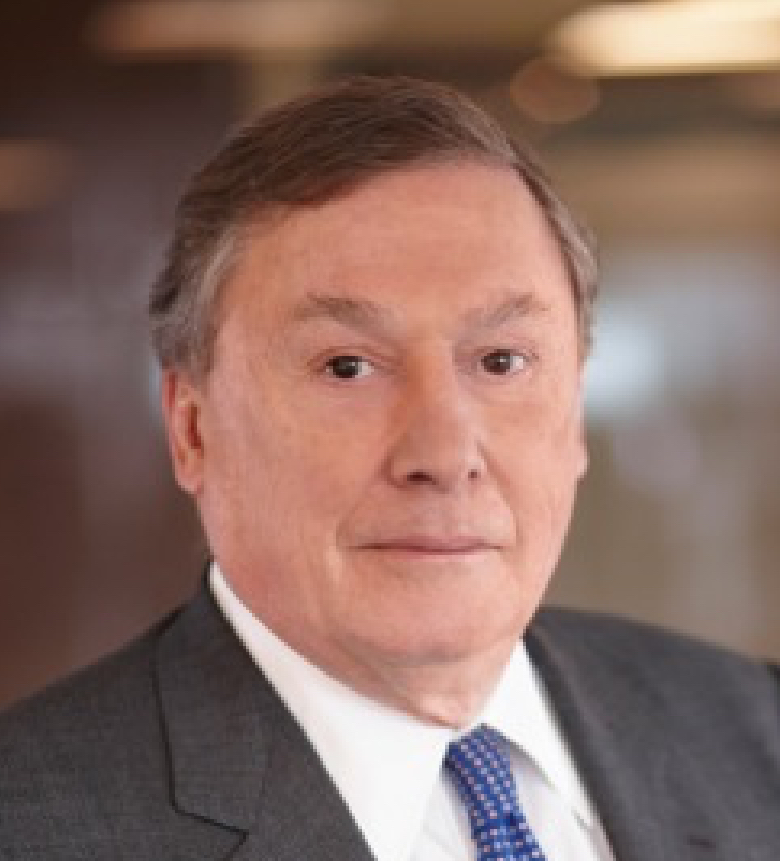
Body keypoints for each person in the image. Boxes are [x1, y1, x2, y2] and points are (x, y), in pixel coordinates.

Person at [0, 76, 778, 861]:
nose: (443, 456)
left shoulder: (754, 728)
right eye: (347, 366)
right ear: (192, 428)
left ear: (574, 411)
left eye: (501, 360)